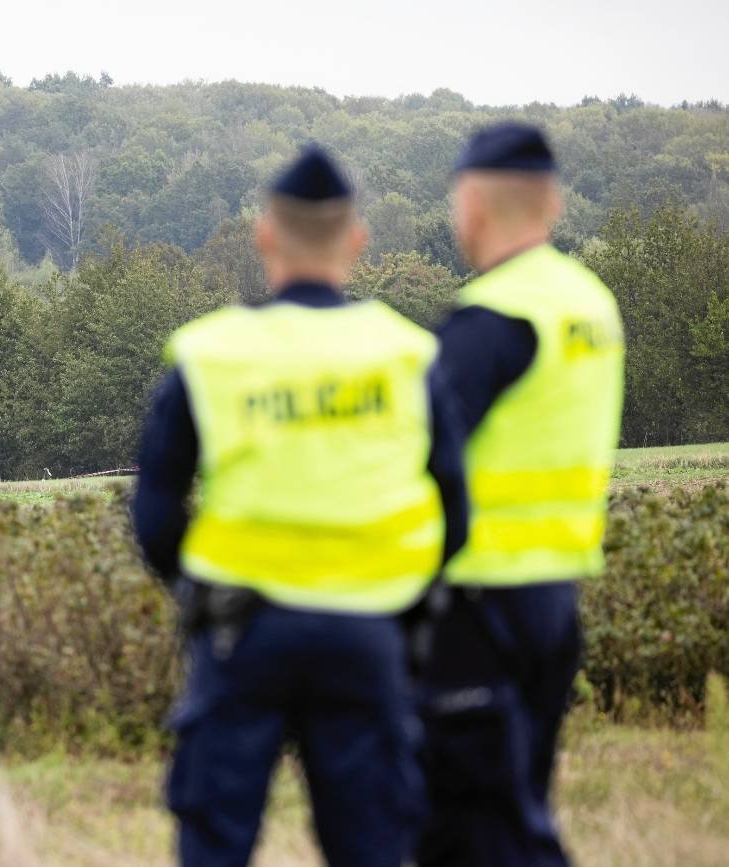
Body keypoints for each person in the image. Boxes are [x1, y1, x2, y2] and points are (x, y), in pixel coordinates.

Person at [132, 145, 468, 867]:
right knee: (374, 840)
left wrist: (194, 589)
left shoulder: (211, 352)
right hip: (368, 633)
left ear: (264, 236)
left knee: (215, 836)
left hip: (241, 631)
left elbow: (156, 508)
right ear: (356, 240)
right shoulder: (408, 354)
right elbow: (456, 509)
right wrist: (407, 603)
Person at [417, 123, 625, 867]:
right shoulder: (591, 304)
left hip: (478, 604)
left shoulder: (493, 316)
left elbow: (417, 451)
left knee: (481, 828)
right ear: (553, 203)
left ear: (472, 205)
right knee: (513, 804)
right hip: (553, 597)